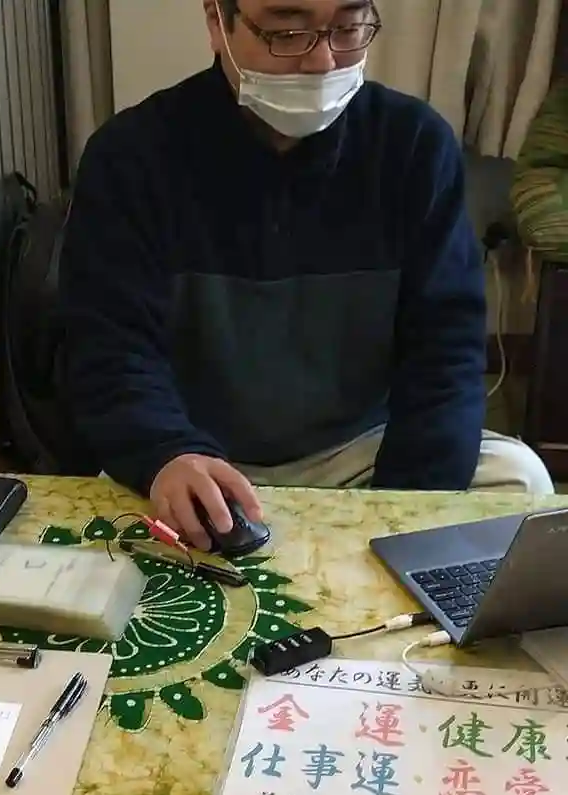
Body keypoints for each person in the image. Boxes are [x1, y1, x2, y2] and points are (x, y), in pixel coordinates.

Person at [58, 0, 554, 551]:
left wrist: (399, 512)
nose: (323, 61)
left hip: (358, 453)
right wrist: (165, 452)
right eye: (287, 32)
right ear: (217, 21)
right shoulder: (131, 156)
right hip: (197, 456)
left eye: (348, 27)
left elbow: (445, 354)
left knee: (520, 481)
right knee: (98, 549)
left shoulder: (414, 145)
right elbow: (111, 351)